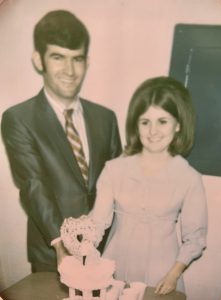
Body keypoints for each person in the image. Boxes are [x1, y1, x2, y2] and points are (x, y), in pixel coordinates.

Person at [1, 10, 121, 272]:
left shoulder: (106, 119)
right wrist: (62, 244)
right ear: (38, 60)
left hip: (106, 252)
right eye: (58, 57)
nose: (69, 70)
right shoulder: (19, 119)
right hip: (54, 252)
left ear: (87, 62)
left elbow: (118, 183)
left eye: (77, 59)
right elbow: (34, 185)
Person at [90, 76, 207, 296]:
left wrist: (173, 275)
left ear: (178, 124)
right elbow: (97, 223)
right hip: (114, 268)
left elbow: (195, 237)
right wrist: (82, 249)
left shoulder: (189, 178)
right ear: (137, 124)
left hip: (162, 274)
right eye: (145, 122)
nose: (153, 131)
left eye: (162, 121)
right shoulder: (114, 170)